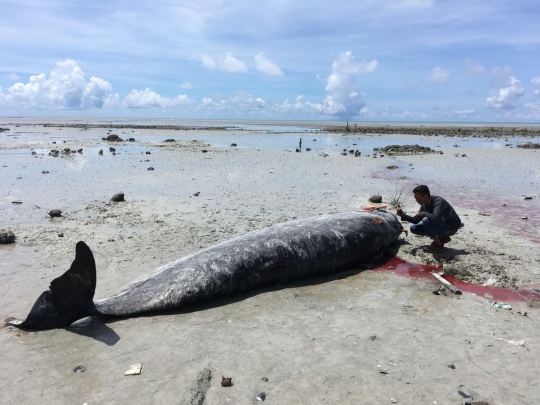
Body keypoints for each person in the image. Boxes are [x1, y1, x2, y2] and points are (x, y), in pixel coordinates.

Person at [396, 185, 461, 252]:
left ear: (426, 196)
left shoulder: (438, 201)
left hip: (451, 227)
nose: (416, 200)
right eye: (415, 198)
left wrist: (422, 213)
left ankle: (438, 246)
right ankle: (442, 237)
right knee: (413, 228)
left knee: (426, 220)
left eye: (417, 198)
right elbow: (416, 220)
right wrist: (403, 216)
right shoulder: (424, 205)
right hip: (440, 225)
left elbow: (435, 217)